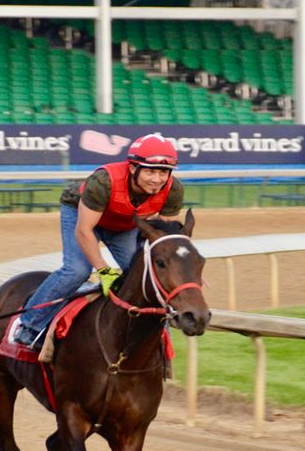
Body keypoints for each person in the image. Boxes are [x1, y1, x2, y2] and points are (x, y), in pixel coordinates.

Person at [12, 133, 185, 350]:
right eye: (150, 171)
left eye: (163, 172)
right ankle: (28, 325)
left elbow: (164, 239)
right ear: (132, 168)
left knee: (147, 275)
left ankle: (159, 341)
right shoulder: (103, 181)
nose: (157, 179)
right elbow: (84, 230)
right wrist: (103, 270)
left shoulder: (173, 189)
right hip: (81, 215)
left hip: (123, 224)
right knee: (77, 270)